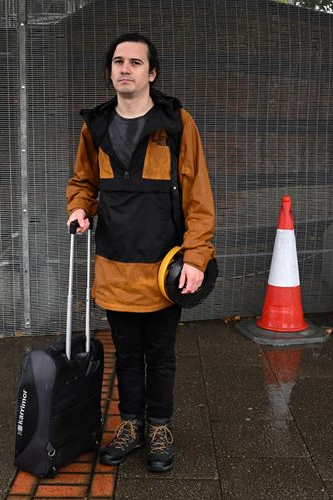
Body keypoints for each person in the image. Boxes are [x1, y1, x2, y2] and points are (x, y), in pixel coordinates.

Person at [66, 33, 215, 473]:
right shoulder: (94, 127)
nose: (124, 69)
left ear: (151, 73)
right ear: (110, 71)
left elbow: (199, 197)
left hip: (165, 269)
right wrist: (78, 208)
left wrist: (196, 257)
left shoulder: (176, 124)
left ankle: (160, 428)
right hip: (114, 267)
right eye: (117, 61)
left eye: (135, 62)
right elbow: (84, 184)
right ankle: (130, 425)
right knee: (126, 355)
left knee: (161, 353)